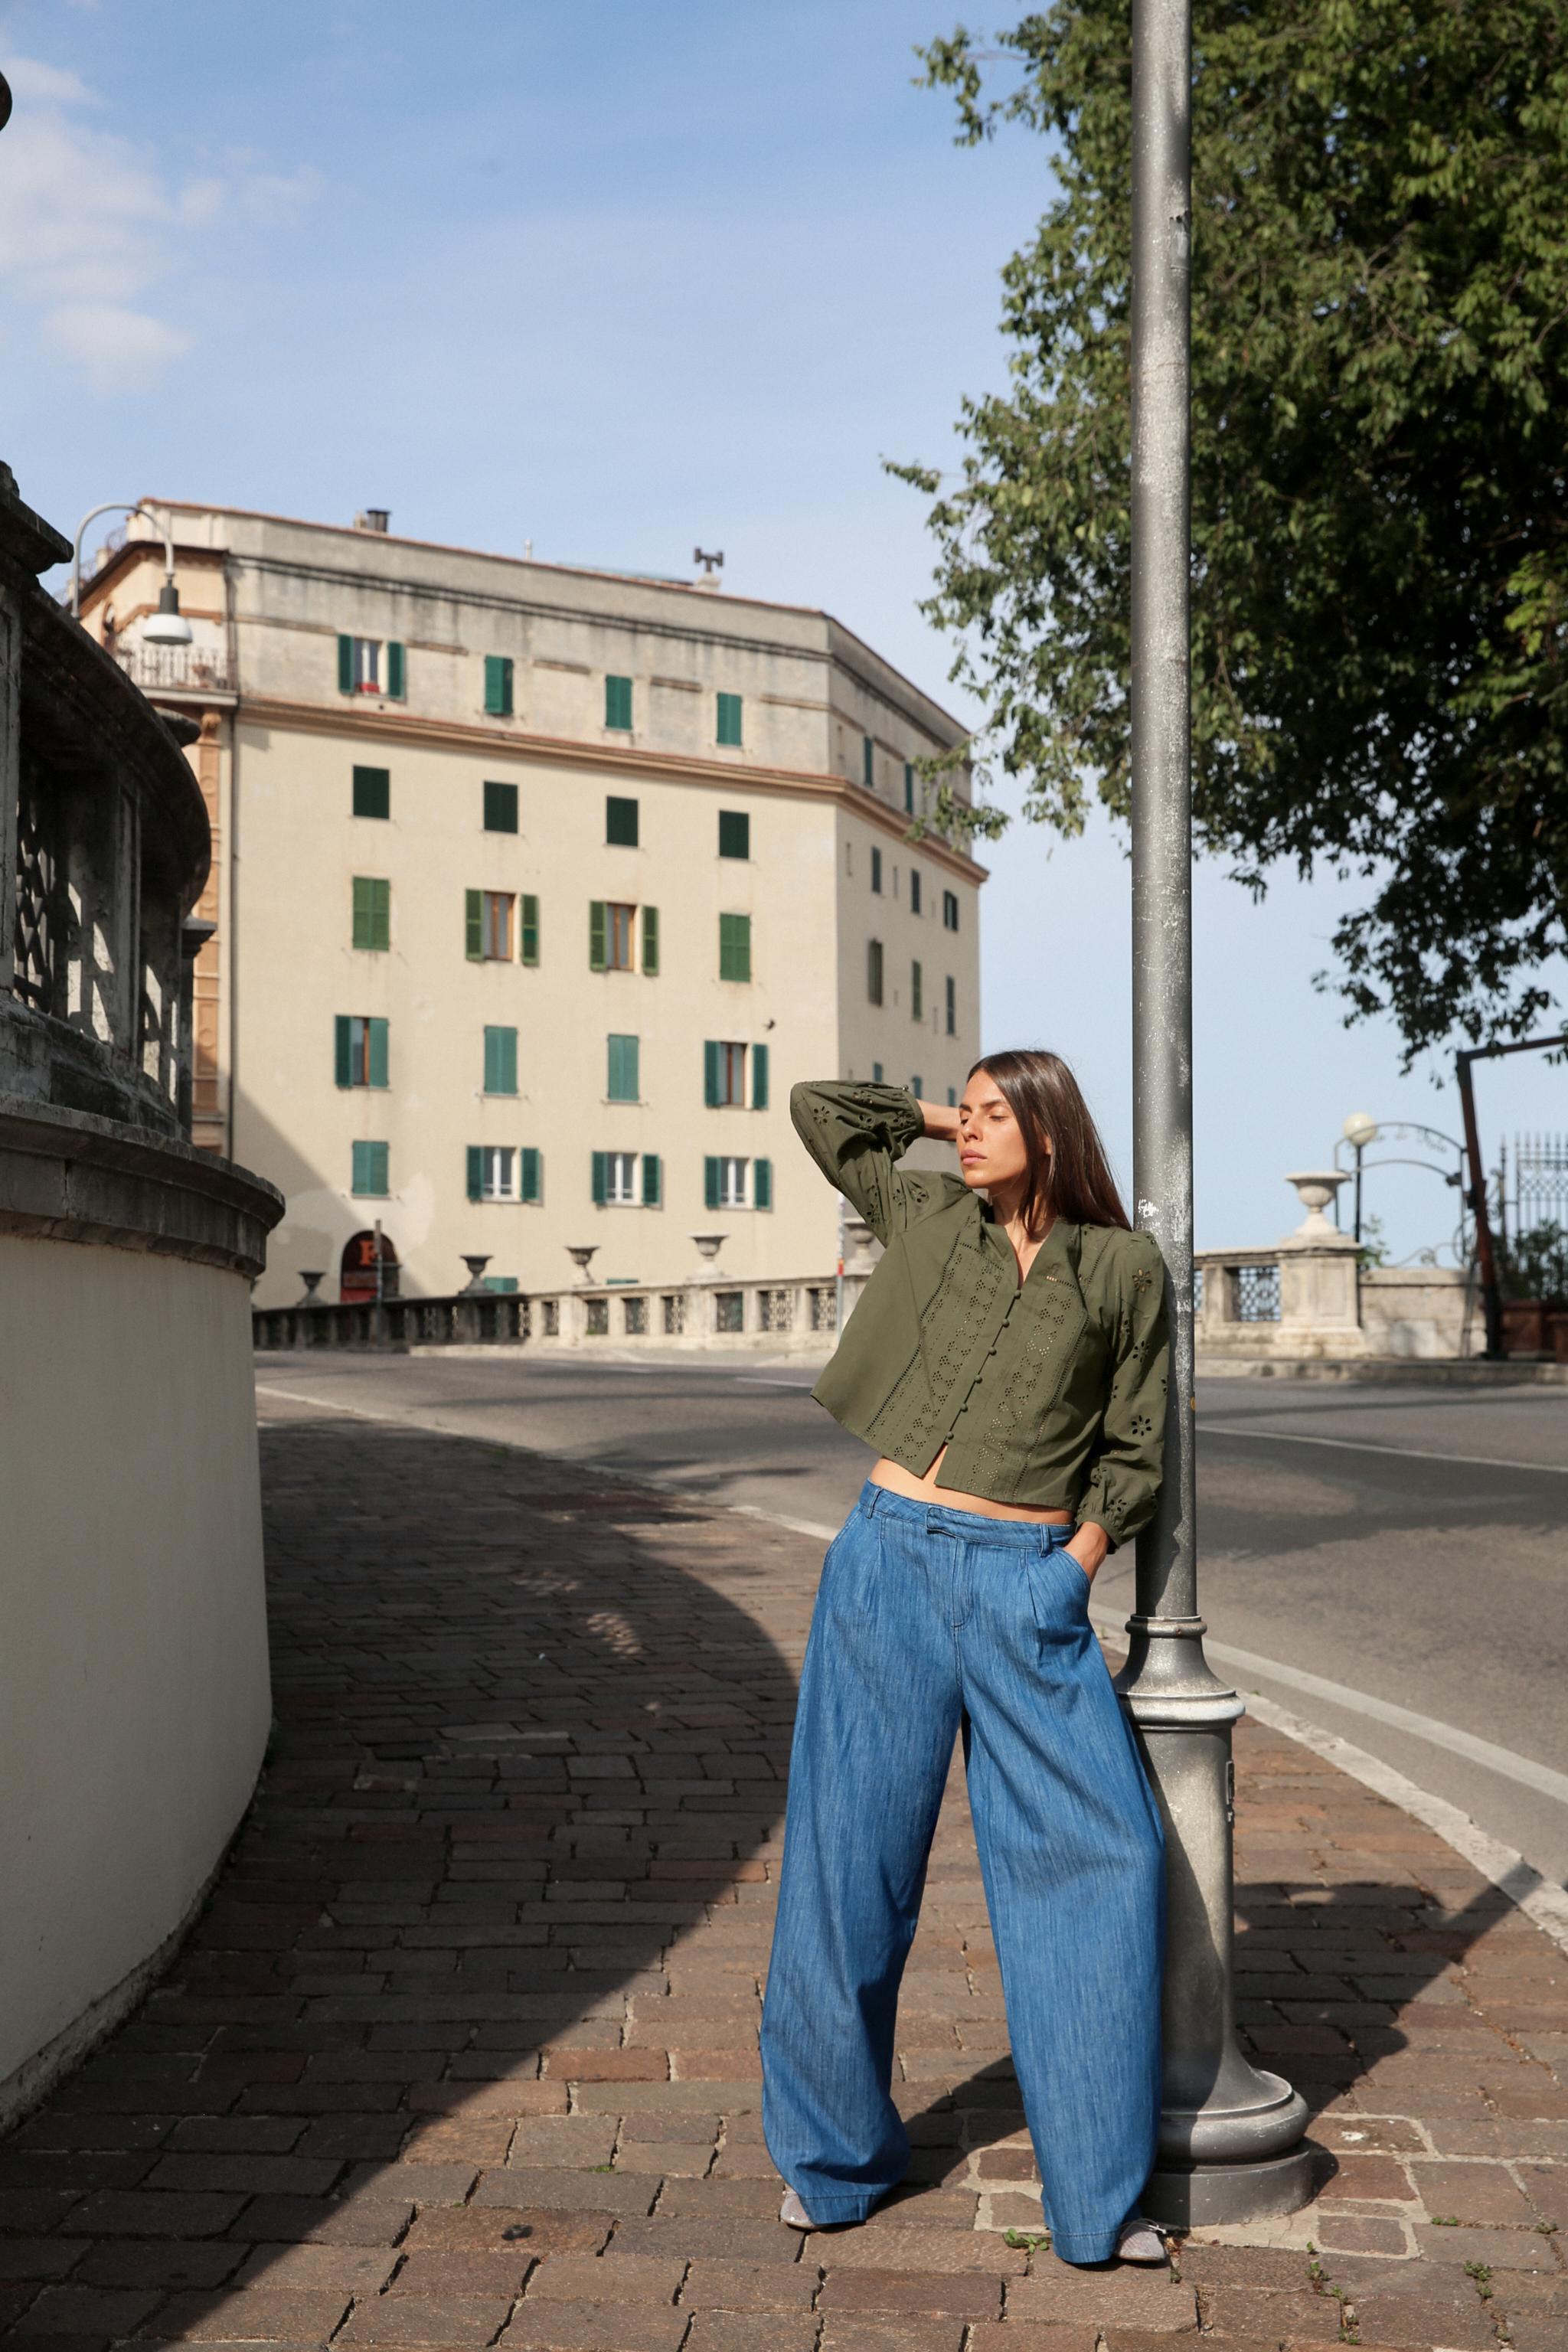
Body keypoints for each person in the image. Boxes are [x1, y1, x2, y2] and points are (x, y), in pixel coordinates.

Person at [759, 1055, 1170, 2266]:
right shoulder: (928, 1210)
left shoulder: (1120, 1269)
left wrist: (1074, 1569)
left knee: (1104, 1858)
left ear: (1051, 1131)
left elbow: (1136, 1444)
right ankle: (833, 2166)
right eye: (967, 1112)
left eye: (1000, 1115)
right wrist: (950, 1116)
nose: (972, 1131)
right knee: (849, 1866)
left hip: (1025, 1582)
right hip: (883, 1564)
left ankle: (1097, 2205)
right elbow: (818, 1110)